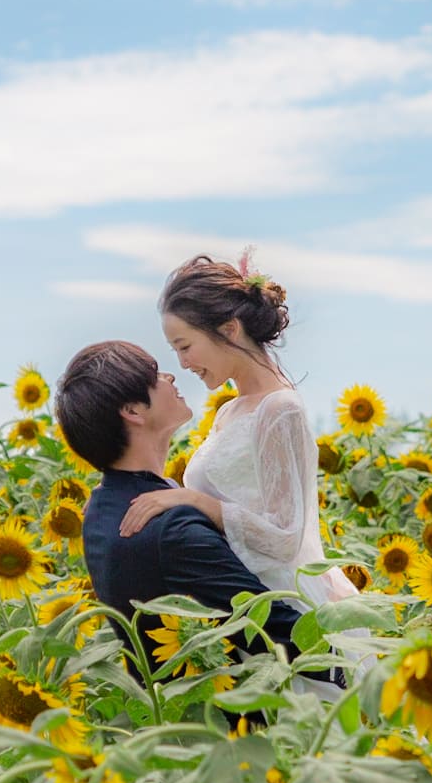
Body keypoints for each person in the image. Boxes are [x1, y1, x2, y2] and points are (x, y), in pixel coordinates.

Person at [115, 252, 361, 611]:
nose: (182, 364)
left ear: (230, 329)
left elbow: (285, 538)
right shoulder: (231, 410)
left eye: (185, 346)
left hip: (282, 610)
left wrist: (192, 500)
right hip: (236, 601)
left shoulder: (280, 409)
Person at [58, 338, 301, 674]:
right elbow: (274, 631)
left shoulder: (100, 509)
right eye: (155, 374)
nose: (170, 377)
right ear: (132, 412)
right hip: (223, 718)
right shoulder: (172, 528)